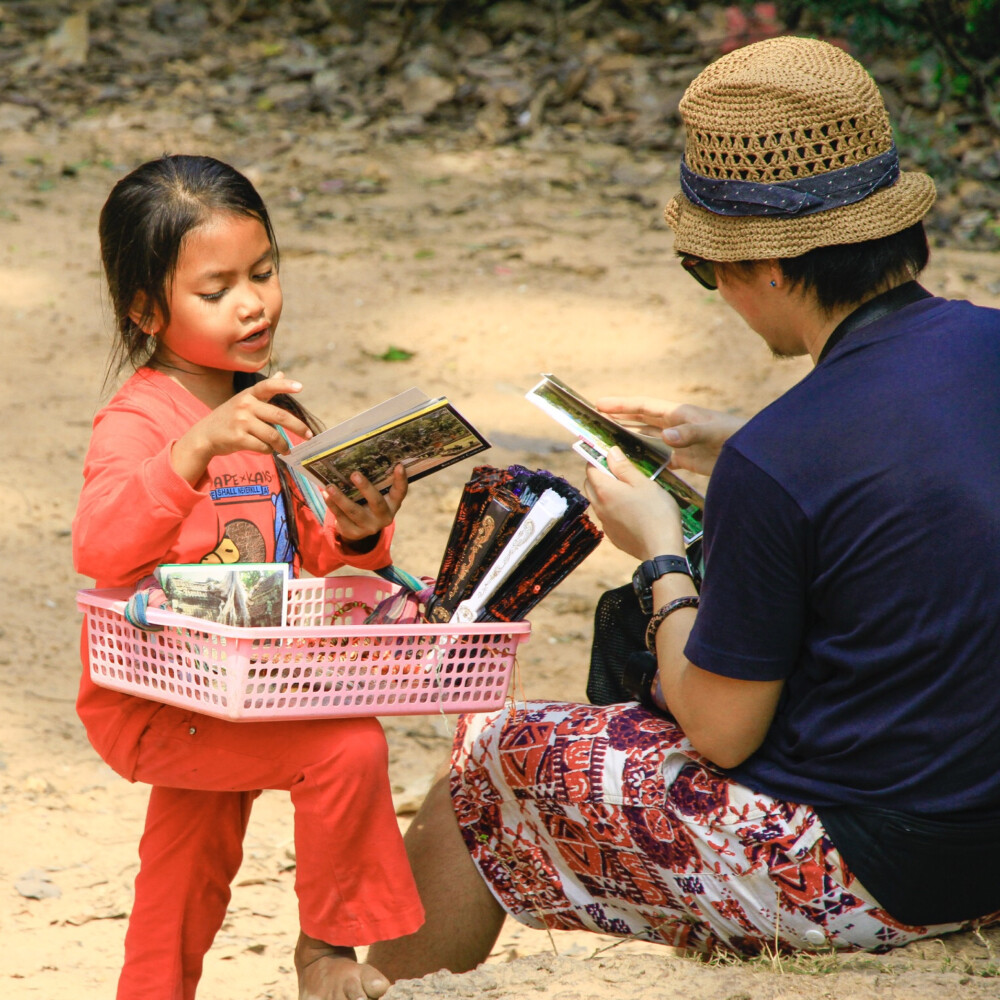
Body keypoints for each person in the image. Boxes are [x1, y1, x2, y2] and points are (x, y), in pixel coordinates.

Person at [366, 35, 1000, 980]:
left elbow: (720, 729)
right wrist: (738, 440)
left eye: (713, 269)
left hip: (883, 866)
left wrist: (659, 554)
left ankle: (369, 981)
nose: (721, 294)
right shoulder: (979, 348)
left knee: (492, 760)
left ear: (774, 267)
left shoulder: (784, 460)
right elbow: (918, 459)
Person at [73, 154, 423, 1000]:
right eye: (216, 287)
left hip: (248, 684)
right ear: (145, 309)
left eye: (263, 272)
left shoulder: (274, 411)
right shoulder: (139, 420)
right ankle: (327, 953)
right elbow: (101, 544)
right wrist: (194, 449)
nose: (252, 301)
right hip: (157, 698)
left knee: (184, 865)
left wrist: (360, 533)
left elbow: (313, 564)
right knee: (346, 746)